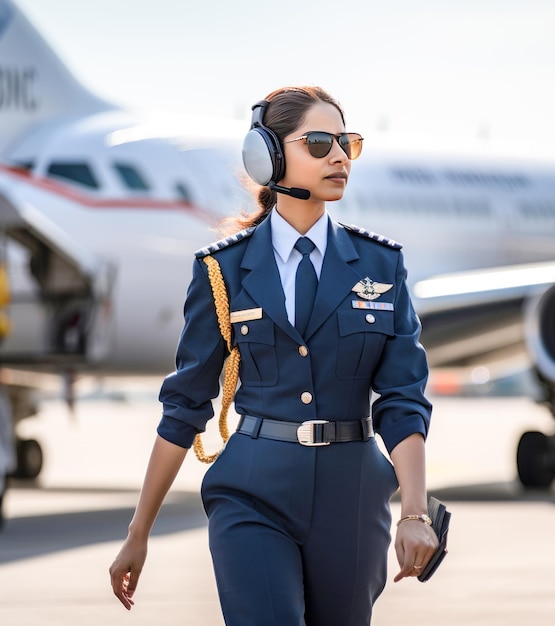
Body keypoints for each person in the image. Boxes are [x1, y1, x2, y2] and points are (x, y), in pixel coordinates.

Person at [109, 85, 438, 625]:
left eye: (346, 143)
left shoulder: (382, 266)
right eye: (318, 142)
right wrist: (138, 532)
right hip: (251, 492)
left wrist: (414, 512)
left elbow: (403, 399)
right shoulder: (223, 271)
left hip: (352, 495)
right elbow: (185, 405)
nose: (338, 156)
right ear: (269, 155)